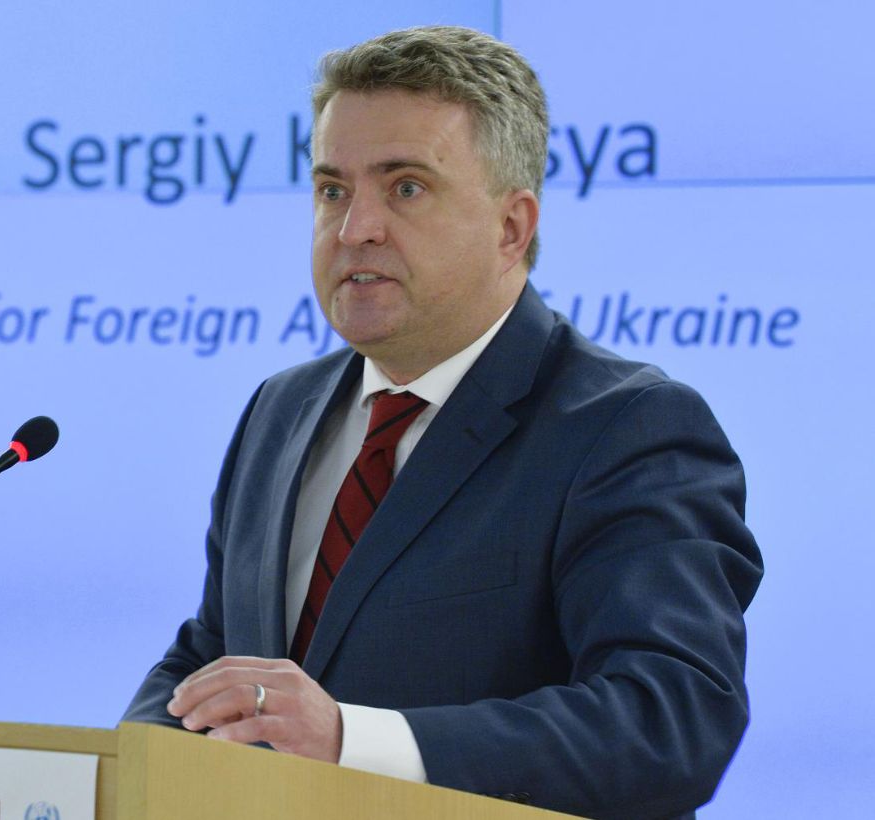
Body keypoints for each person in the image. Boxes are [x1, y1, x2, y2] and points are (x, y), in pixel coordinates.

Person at [122, 25, 762, 820]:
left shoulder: (628, 428)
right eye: (332, 190)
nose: (355, 228)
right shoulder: (280, 411)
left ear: (511, 228)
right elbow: (217, 654)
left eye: (406, 188)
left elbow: (669, 722)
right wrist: (122, 770)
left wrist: (352, 740)